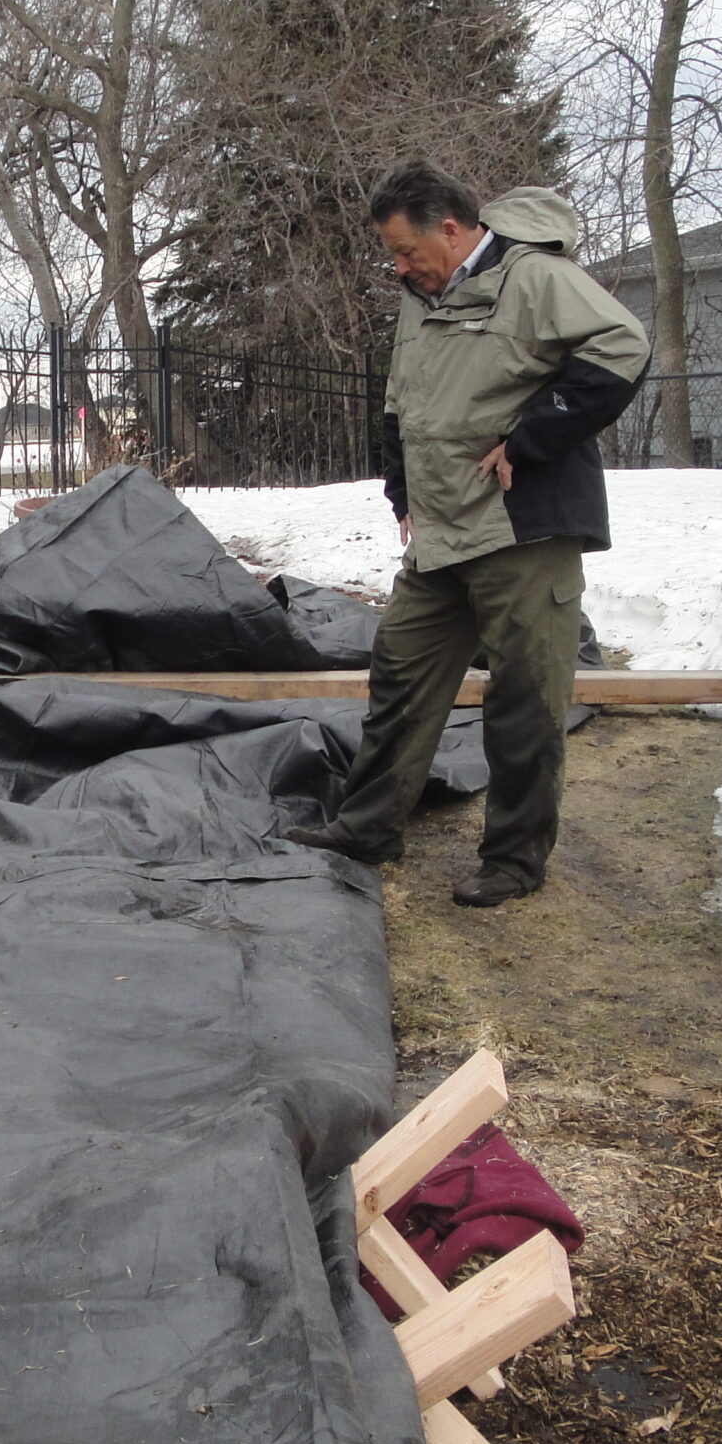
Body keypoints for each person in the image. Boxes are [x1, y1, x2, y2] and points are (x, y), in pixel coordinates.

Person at [288, 159, 648, 906]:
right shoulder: (418, 300)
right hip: (443, 530)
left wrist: (532, 439)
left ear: (450, 230)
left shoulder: (534, 278)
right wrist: (401, 488)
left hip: (521, 526)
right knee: (401, 675)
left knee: (525, 699)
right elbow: (400, 403)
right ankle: (369, 827)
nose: (398, 264)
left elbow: (622, 347)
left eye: (405, 249)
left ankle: (514, 860)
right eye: (392, 253)